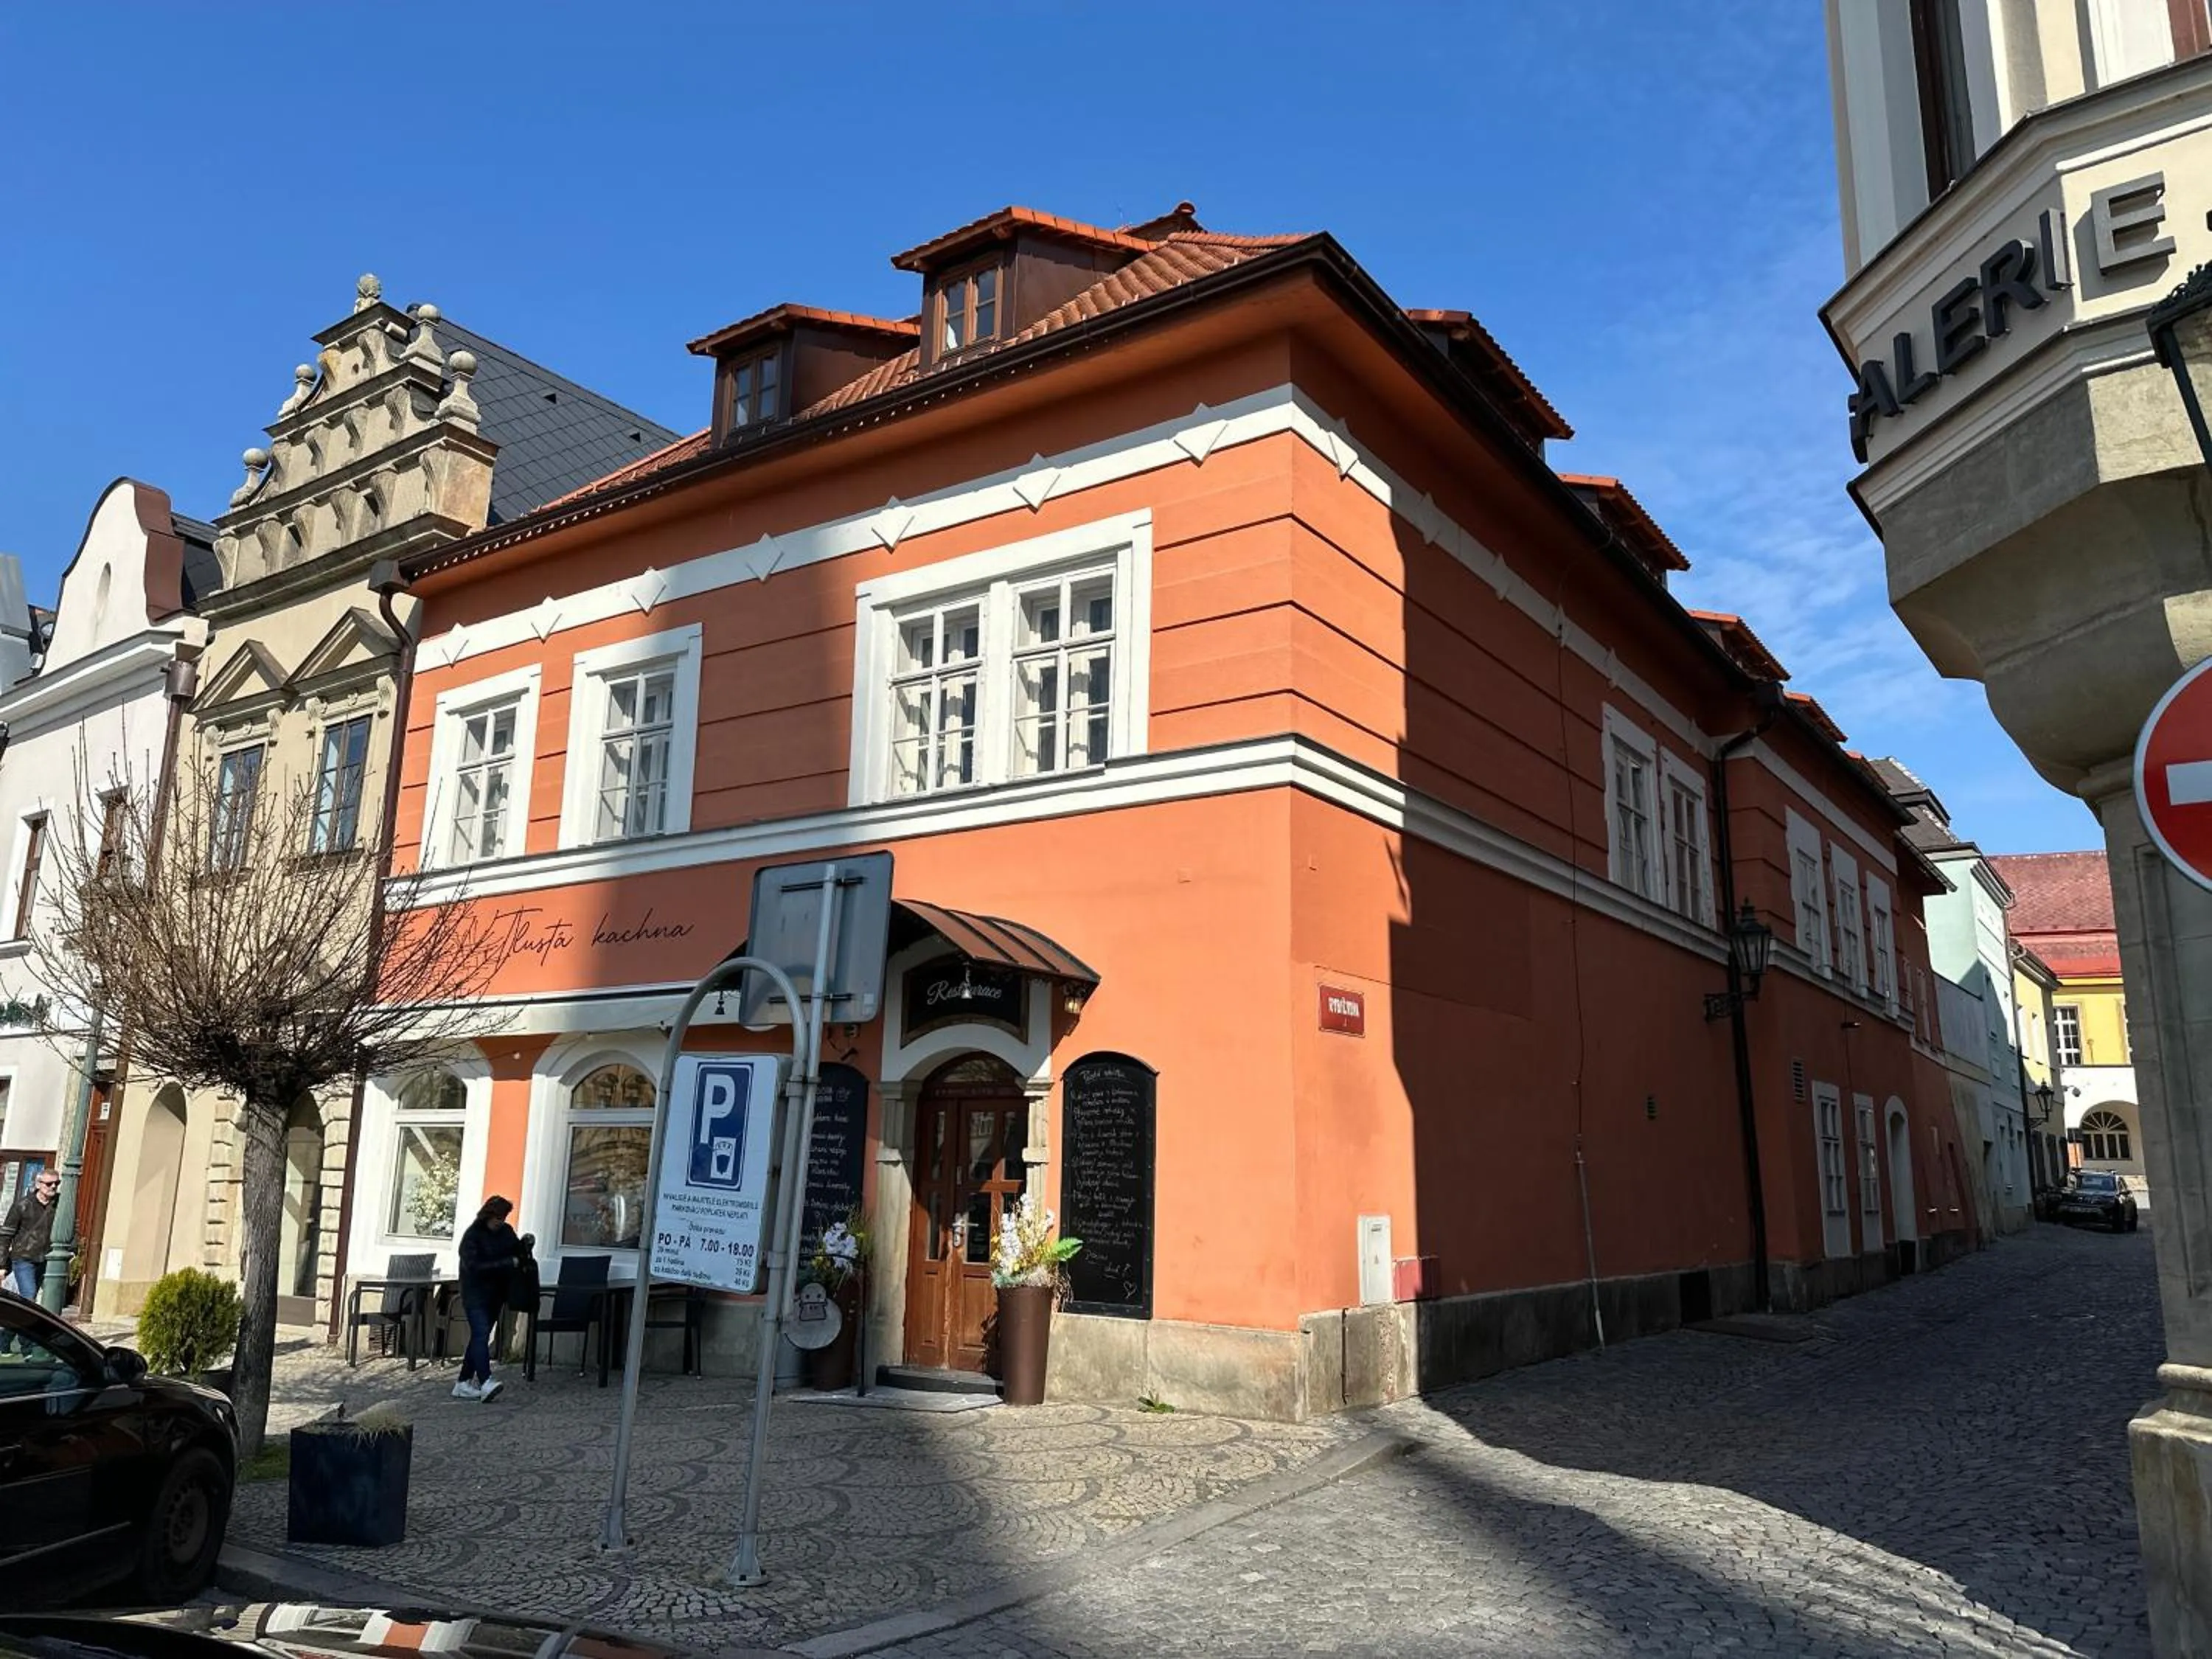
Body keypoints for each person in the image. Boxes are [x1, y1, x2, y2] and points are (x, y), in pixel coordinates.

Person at [453, 1196, 529, 1402]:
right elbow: (474, 1267)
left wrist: (524, 1247)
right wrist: (506, 1263)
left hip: (496, 1294)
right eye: (497, 1217)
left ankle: (463, 1382)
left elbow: (517, 1252)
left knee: (480, 1336)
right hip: (475, 1292)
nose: (500, 1221)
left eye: (503, 1217)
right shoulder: (472, 1236)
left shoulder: (506, 1232)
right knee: (481, 1333)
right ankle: (486, 1381)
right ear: (488, 1215)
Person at [0, 1170, 60, 1353]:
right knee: (29, 1299)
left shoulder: (59, 1205)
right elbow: (6, 1235)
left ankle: (5, 1339)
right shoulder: (22, 1205)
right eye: (48, 1184)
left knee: (27, 1304)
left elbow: (73, 1226)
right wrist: (1, 1265)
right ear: (38, 1184)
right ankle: (27, 1345)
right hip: (23, 1258)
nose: (53, 1188)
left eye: (56, 1184)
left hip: (46, 1259)